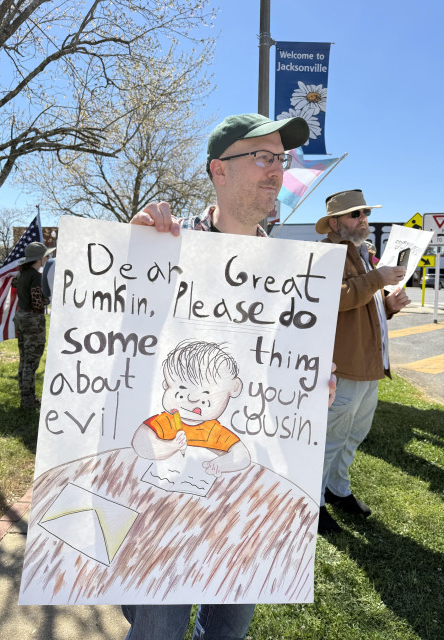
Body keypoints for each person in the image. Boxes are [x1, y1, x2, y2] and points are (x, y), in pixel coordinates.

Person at [123, 112, 337, 640]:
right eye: (262, 157)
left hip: (246, 500)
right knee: (158, 633)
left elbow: (283, 367)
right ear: (219, 170)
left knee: (228, 631)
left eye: (281, 160)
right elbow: (95, 320)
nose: (276, 172)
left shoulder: (293, 271)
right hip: (163, 508)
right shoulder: (164, 246)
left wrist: (311, 386)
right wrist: (132, 249)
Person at [315, 189, 410, 535]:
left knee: (353, 434)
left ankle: (337, 489)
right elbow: (333, 299)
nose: (364, 220)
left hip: (368, 364)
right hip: (346, 365)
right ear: (336, 222)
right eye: (356, 214)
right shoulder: (329, 252)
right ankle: (314, 501)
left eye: (365, 213)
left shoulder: (361, 254)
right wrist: (377, 280)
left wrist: (388, 307)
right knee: (331, 437)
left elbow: (363, 309)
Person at [132, 339, 251, 476]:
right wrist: (172, 446)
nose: (192, 399)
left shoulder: (212, 431)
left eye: (206, 393)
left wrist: (220, 464)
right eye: (182, 388)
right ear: (167, 385)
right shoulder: (164, 422)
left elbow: (242, 456)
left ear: (233, 389)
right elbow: (140, 444)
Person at [13, 241, 55, 409]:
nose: (48, 257)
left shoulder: (21, 274)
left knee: (24, 359)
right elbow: (38, 302)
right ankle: (28, 401)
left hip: (21, 316)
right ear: (40, 258)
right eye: (47, 255)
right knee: (31, 361)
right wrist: (51, 298)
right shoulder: (35, 276)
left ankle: (25, 396)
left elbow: (15, 286)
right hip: (32, 320)